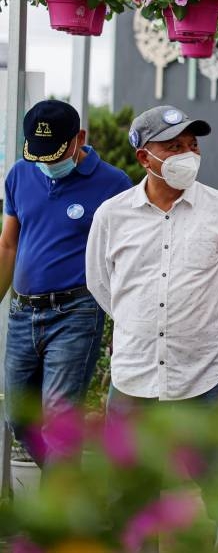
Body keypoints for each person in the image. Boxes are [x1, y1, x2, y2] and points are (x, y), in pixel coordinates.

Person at [86, 105, 218, 514]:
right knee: (132, 499)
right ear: (144, 156)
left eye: (192, 145)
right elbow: (101, 284)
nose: (188, 154)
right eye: (174, 146)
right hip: (135, 380)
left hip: (207, 377)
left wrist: (208, 327)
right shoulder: (112, 216)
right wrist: (139, 323)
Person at [1, 100, 132, 466]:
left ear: (80, 139)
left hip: (76, 312)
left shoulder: (113, 184)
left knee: (59, 423)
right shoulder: (19, 175)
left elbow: (123, 255)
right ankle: (72, 495)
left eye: (54, 152)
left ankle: (58, 520)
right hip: (22, 313)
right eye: (38, 154)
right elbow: (8, 243)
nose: (45, 162)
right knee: (17, 416)